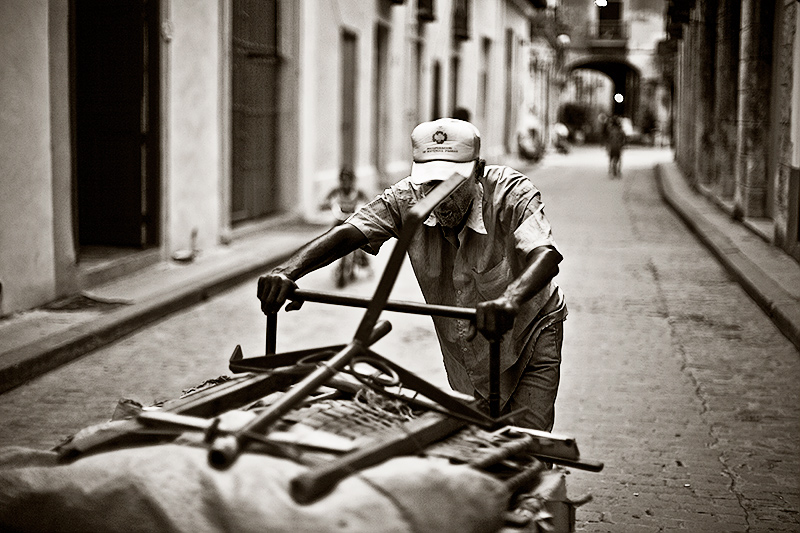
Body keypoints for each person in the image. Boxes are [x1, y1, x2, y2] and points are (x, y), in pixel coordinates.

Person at [257, 118, 567, 431]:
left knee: (529, 445)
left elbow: (545, 253)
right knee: (479, 444)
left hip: (530, 336)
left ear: (477, 170)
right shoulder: (408, 198)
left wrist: (510, 300)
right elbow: (350, 231)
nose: (440, 196)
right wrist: (287, 271)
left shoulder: (511, 193)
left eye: (451, 183)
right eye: (431, 183)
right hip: (469, 355)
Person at [319, 167, 371, 286]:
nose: (345, 183)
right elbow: (325, 202)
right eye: (343, 180)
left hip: (354, 221)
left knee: (361, 240)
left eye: (348, 180)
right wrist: (325, 205)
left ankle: (363, 258)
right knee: (332, 239)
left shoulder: (358, 192)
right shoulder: (336, 191)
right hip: (340, 220)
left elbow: (369, 202)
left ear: (353, 181)